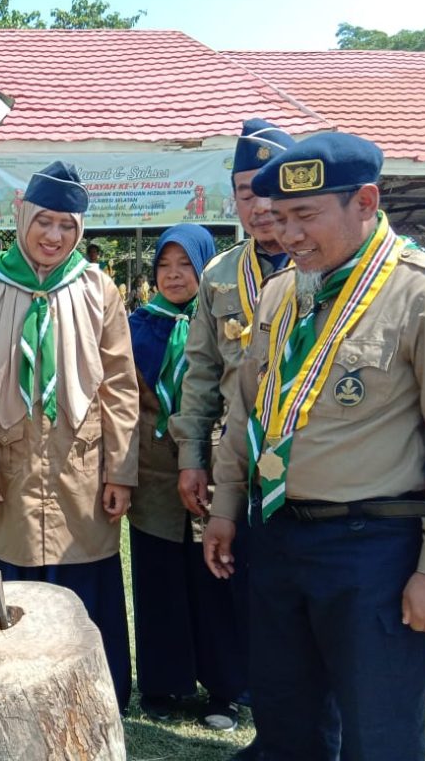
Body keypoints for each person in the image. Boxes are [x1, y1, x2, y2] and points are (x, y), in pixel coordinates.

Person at [205, 131, 425, 761]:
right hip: (278, 538)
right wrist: (226, 508)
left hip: (374, 552)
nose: (287, 234)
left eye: (306, 216)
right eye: (280, 217)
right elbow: (247, 409)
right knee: (288, 727)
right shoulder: (284, 291)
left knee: (381, 735)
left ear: (366, 201)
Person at [0, 161, 138, 711]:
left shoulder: (95, 287)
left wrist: (121, 473)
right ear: (22, 218)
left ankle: (89, 697)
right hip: (6, 469)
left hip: (77, 472)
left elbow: (120, 384)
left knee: (81, 584)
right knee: (4, 581)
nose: (54, 236)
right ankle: (5, 694)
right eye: (44, 221)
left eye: (67, 225)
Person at [169, 119, 294, 759]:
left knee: (288, 588)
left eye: (270, 190)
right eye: (246, 191)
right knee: (223, 571)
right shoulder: (219, 277)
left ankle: (285, 712)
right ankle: (226, 688)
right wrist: (191, 458)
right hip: (231, 456)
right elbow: (200, 377)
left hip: (303, 463)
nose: (260, 205)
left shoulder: (320, 266)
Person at [127, 224, 245, 728]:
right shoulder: (137, 326)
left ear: (204, 268)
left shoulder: (229, 320)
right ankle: (164, 683)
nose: (173, 277)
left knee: (214, 577)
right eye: (164, 267)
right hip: (154, 475)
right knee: (159, 579)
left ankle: (226, 689)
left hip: (214, 469)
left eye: (185, 266)